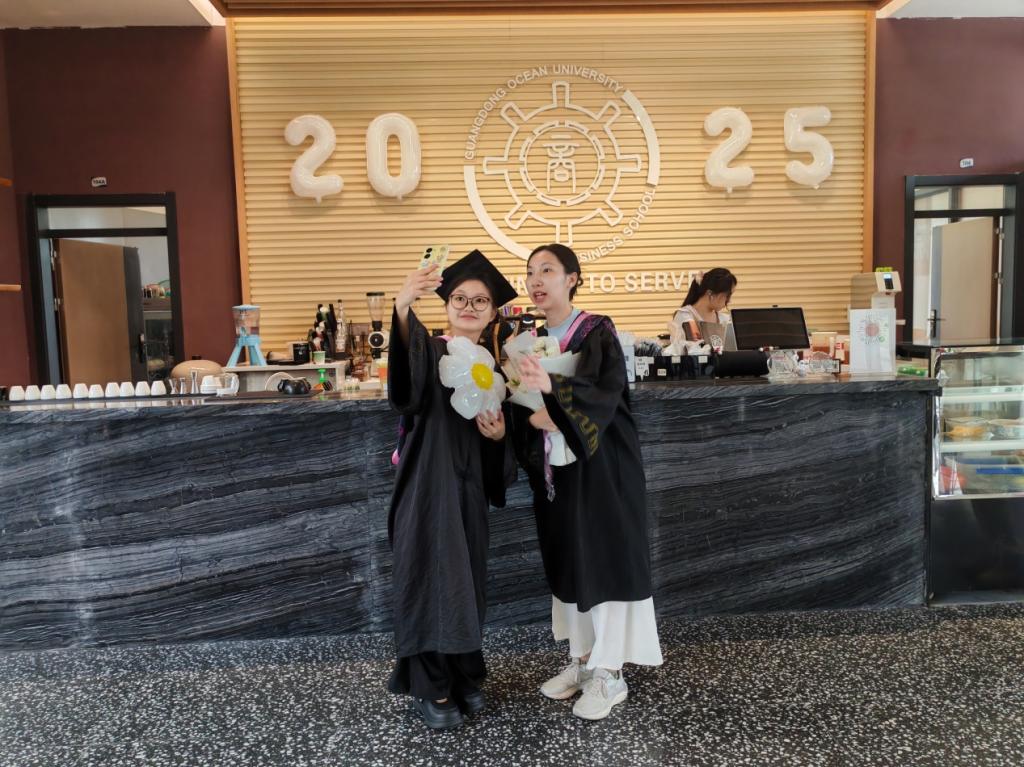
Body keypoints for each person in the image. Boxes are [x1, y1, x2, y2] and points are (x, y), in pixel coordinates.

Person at [509, 243, 662, 722]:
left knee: (604, 561)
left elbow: (606, 393)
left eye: (547, 270)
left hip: (602, 470)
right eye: (530, 272)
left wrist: (554, 395)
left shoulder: (597, 330)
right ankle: (582, 658)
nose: (536, 281)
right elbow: (521, 401)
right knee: (571, 560)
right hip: (559, 472)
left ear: (572, 278)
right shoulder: (527, 341)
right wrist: (528, 417)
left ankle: (610, 673)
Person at [386, 249, 517, 730]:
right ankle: (431, 684)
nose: (469, 307)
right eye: (460, 298)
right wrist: (402, 306)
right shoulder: (434, 351)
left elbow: (502, 445)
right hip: (429, 483)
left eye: (480, 301)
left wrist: (499, 436)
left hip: (468, 489)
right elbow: (407, 386)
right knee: (431, 577)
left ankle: (463, 674)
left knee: (466, 580)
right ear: (446, 305)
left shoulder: (495, 370)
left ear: (493, 312)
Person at [670, 267, 738, 342]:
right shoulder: (685, 316)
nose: (729, 300)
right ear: (710, 293)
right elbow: (695, 347)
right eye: (727, 295)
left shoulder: (724, 319)